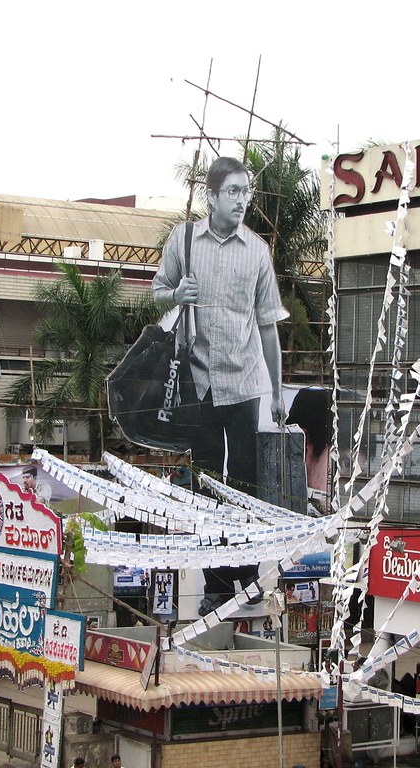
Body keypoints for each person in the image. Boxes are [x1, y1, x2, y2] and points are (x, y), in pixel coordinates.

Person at [153, 156, 288, 616]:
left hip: (245, 382)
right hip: (198, 380)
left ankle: (248, 577)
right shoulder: (185, 240)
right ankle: (215, 581)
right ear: (210, 196)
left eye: (246, 191)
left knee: (245, 485)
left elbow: (268, 326)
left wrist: (277, 391)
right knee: (208, 485)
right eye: (232, 191)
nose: (241, 199)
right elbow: (155, 294)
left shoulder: (257, 251)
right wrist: (177, 295)